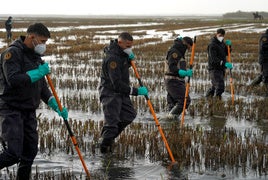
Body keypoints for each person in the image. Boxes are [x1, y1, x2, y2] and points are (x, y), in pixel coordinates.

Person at [0, 23, 68, 179]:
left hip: (28, 110)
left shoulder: (36, 57)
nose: (44, 45)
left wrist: (54, 104)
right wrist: (38, 72)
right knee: (12, 153)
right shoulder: (11, 54)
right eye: (42, 41)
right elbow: (13, 80)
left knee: (30, 151)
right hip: (11, 109)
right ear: (32, 37)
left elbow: (41, 87)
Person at [98, 32, 148, 153]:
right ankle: (104, 151)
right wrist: (135, 91)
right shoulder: (112, 58)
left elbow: (122, 69)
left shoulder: (121, 54)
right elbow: (116, 83)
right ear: (120, 43)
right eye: (127, 46)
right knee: (112, 123)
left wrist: (129, 62)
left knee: (129, 115)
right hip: (111, 93)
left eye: (131, 46)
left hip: (121, 92)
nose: (129, 48)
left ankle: (109, 137)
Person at [163, 36, 193, 120]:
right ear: (186, 44)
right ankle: (169, 119)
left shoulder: (179, 51)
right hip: (173, 80)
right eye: (189, 47)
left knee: (173, 104)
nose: (188, 50)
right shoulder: (174, 51)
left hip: (176, 80)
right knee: (185, 101)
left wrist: (185, 72)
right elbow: (172, 67)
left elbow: (178, 65)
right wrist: (181, 72)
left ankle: (171, 125)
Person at [205, 28, 233, 100]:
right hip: (214, 68)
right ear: (216, 34)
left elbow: (227, 53)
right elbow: (213, 59)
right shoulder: (212, 45)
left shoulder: (222, 43)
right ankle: (217, 102)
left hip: (221, 68)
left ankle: (207, 97)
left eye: (223, 36)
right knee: (220, 87)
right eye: (220, 35)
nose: (221, 37)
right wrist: (225, 64)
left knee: (215, 86)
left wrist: (229, 46)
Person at [250, 29, 268, 95]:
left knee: (263, 74)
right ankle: (266, 92)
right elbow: (263, 47)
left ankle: (252, 85)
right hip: (265, 60)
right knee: (266, 76)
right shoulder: (265, 37)